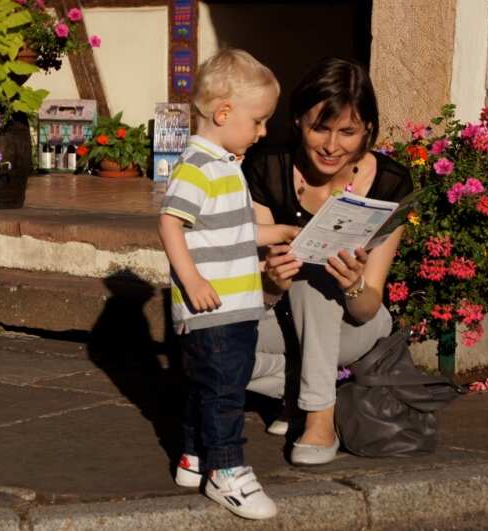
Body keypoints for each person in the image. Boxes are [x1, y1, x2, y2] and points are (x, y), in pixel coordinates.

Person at [242, 56, 413, 465]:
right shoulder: (268, 167)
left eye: (348, 132)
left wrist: (352, 281)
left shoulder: (390, 182)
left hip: (355, 324)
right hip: (281, 320)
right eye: (320, 128)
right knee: (208, 350)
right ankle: (301, 393)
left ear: (367, 130)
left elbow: (368, 304)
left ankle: (319, 415)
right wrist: (272, 282)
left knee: (315, 274)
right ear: (299, 120)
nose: (333, 146)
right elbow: (258, 294)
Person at [157, 49, 298, 520]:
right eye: (258, 121)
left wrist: (272, 234)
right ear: (223, 113)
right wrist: (191, 279)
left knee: (211, 385)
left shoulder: (225, 164)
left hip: (235, 304)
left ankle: (195, 459)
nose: (263, 132)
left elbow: (230, 231)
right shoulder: (198, 166)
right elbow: (171, 224)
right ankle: (228, 471)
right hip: (213, 307)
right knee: (225, 393)